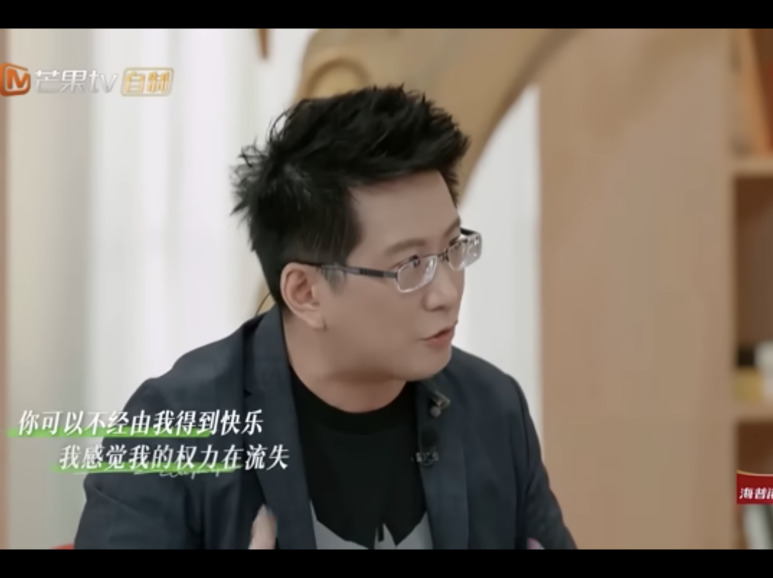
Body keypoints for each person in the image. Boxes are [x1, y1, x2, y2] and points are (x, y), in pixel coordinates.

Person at [74, 86, 576, 549]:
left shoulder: (491, 409)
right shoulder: (174, 428)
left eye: (452, 249)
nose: (447, 292)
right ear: (305, 292)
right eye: (411, 266)